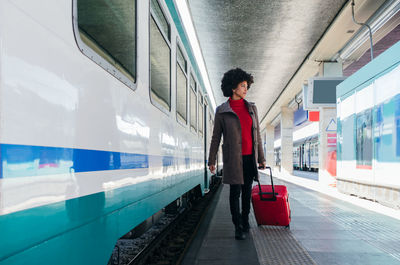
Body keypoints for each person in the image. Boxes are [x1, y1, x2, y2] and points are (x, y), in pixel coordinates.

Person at [208, 68, 266, 240]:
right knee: (235, 193)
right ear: (233, 88)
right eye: (242, 86)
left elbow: (258, 136)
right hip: (233, 158)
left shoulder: (252, 108)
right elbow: (215, 137)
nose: (245, 89)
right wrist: (211, 159)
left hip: (249, 158)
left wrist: (261, 159)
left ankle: (245, 220)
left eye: (247, 86)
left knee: (247, 192)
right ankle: (237, 226)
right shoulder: (222, 110)